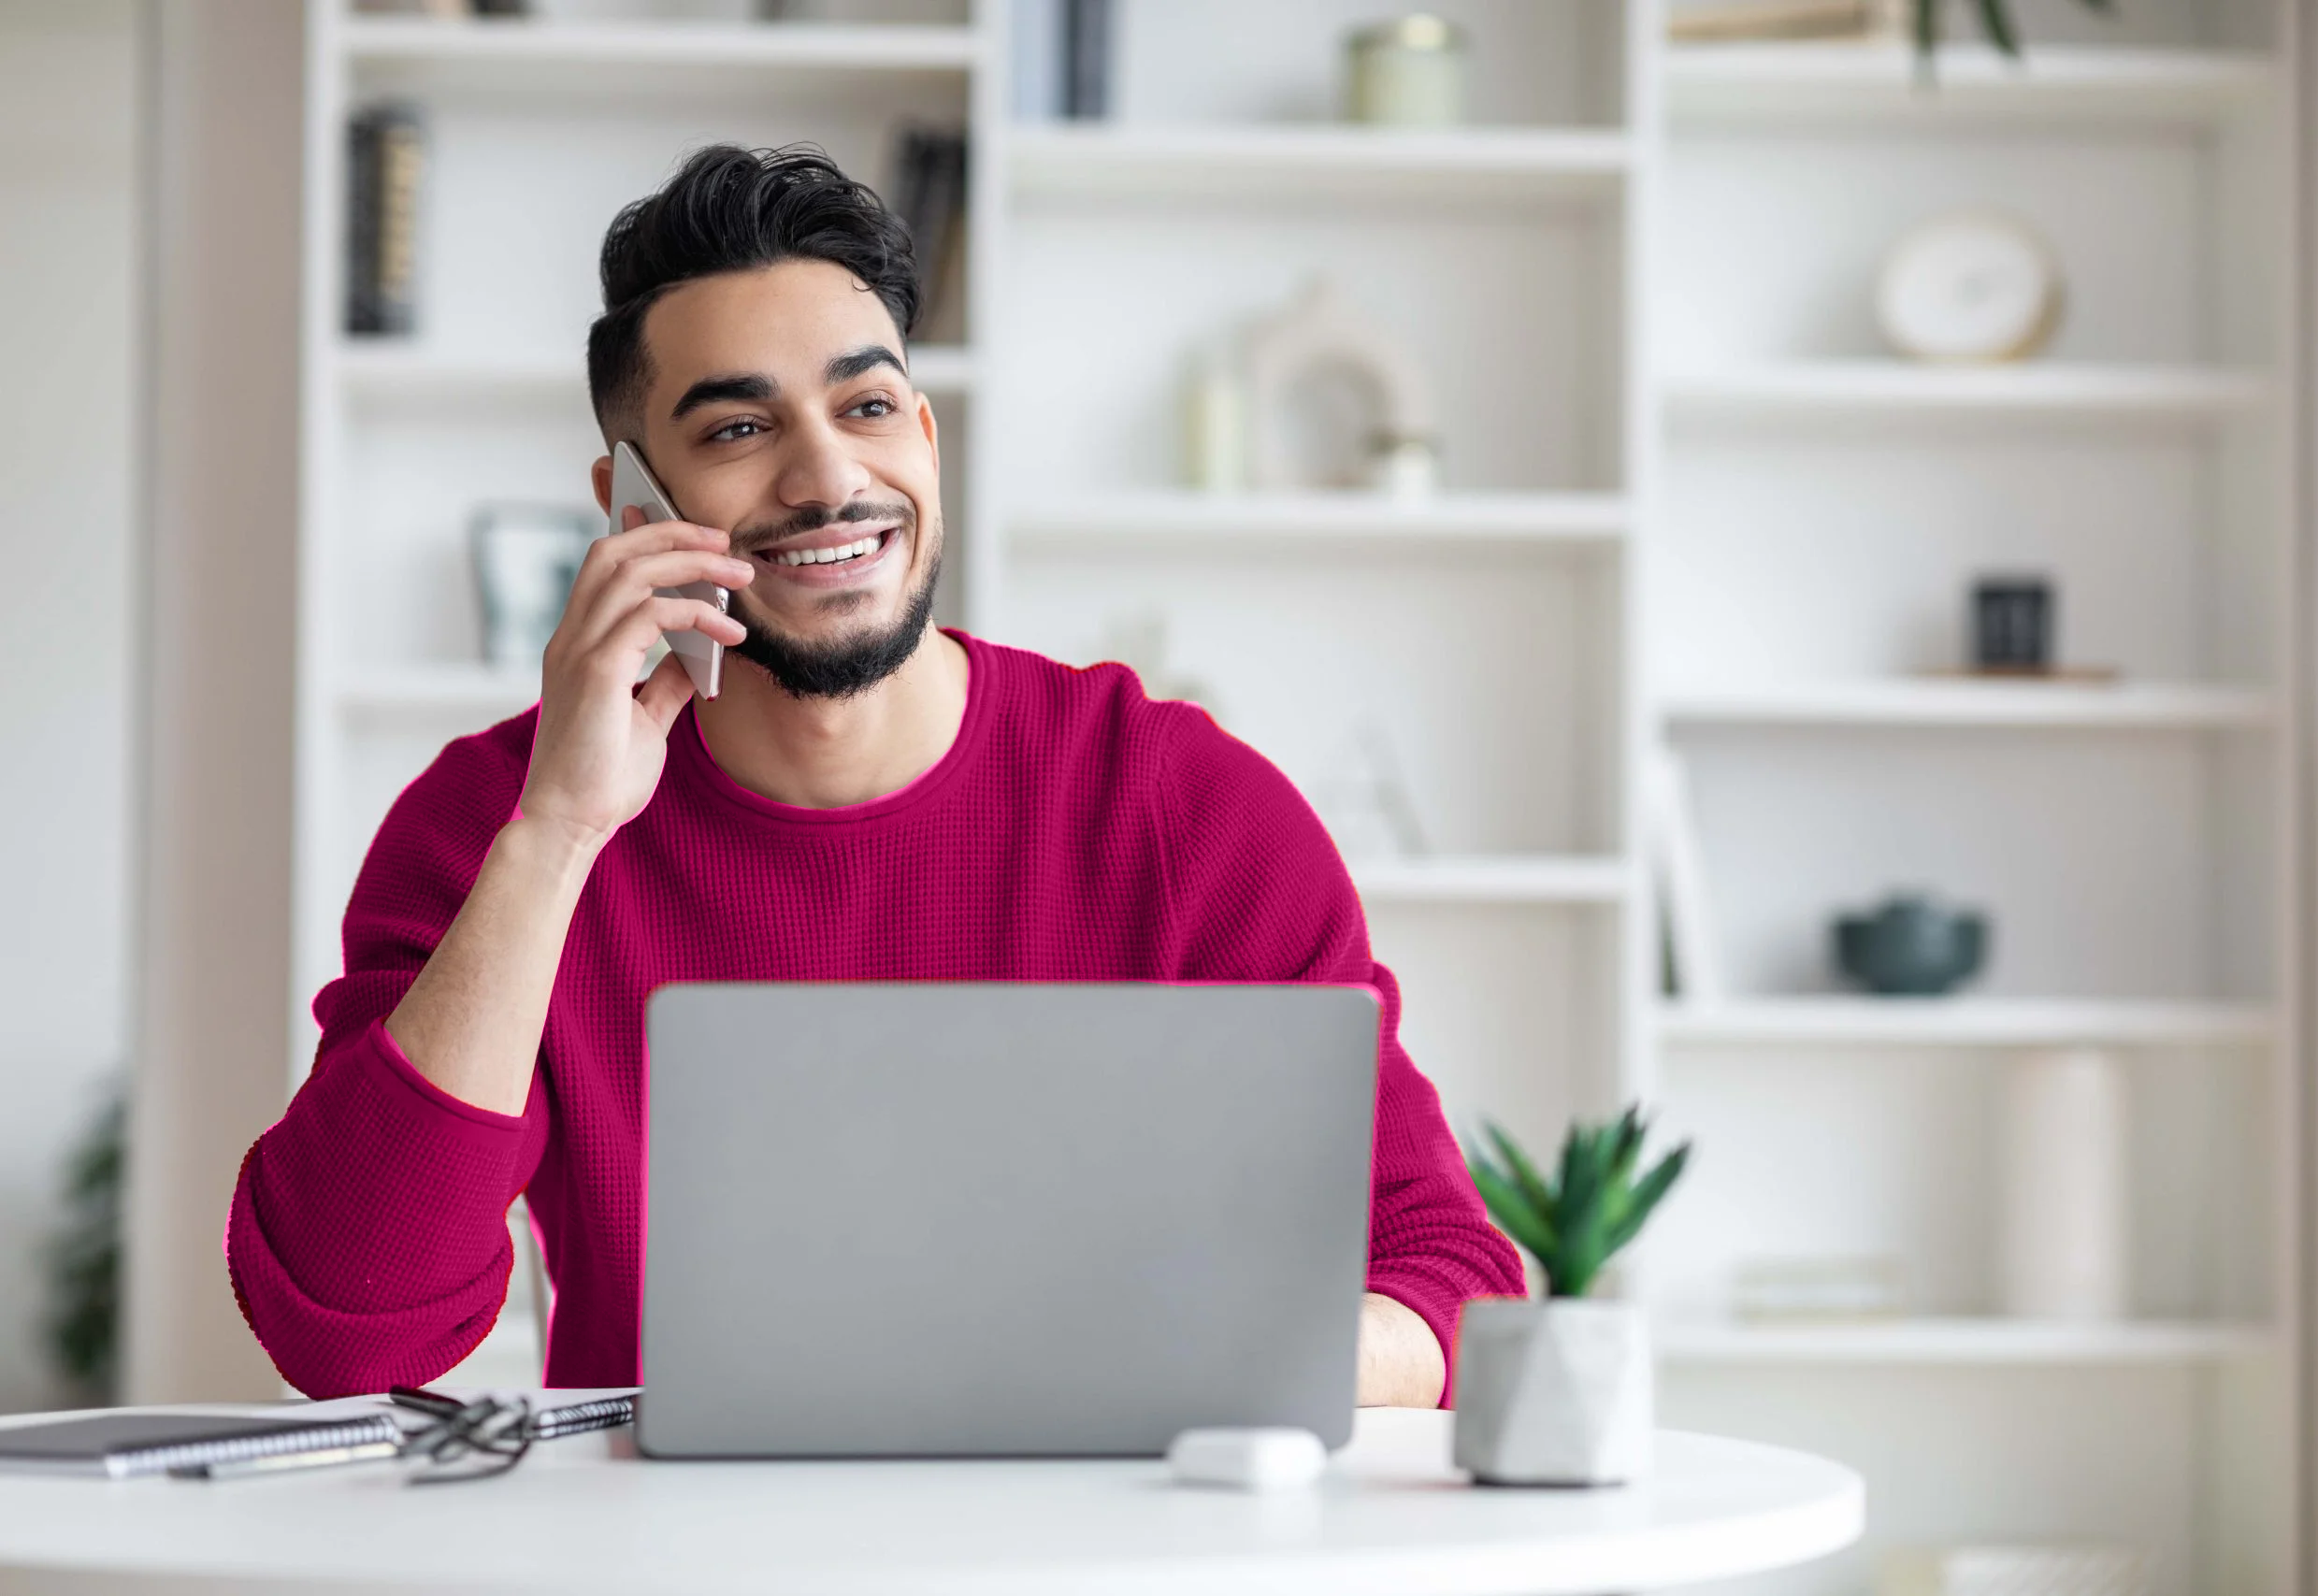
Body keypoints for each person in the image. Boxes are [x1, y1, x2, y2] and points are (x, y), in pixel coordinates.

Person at [226, 144, 1523, 1405]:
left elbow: (1449, 1278)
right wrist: (560, 832)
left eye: (867, 405)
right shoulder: (498, 822)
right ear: (631, 508)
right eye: (739, 425)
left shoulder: (1180, 803)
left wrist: (1158, 1376)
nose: (830, 475)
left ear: (926, 438)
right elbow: (348, 1326)